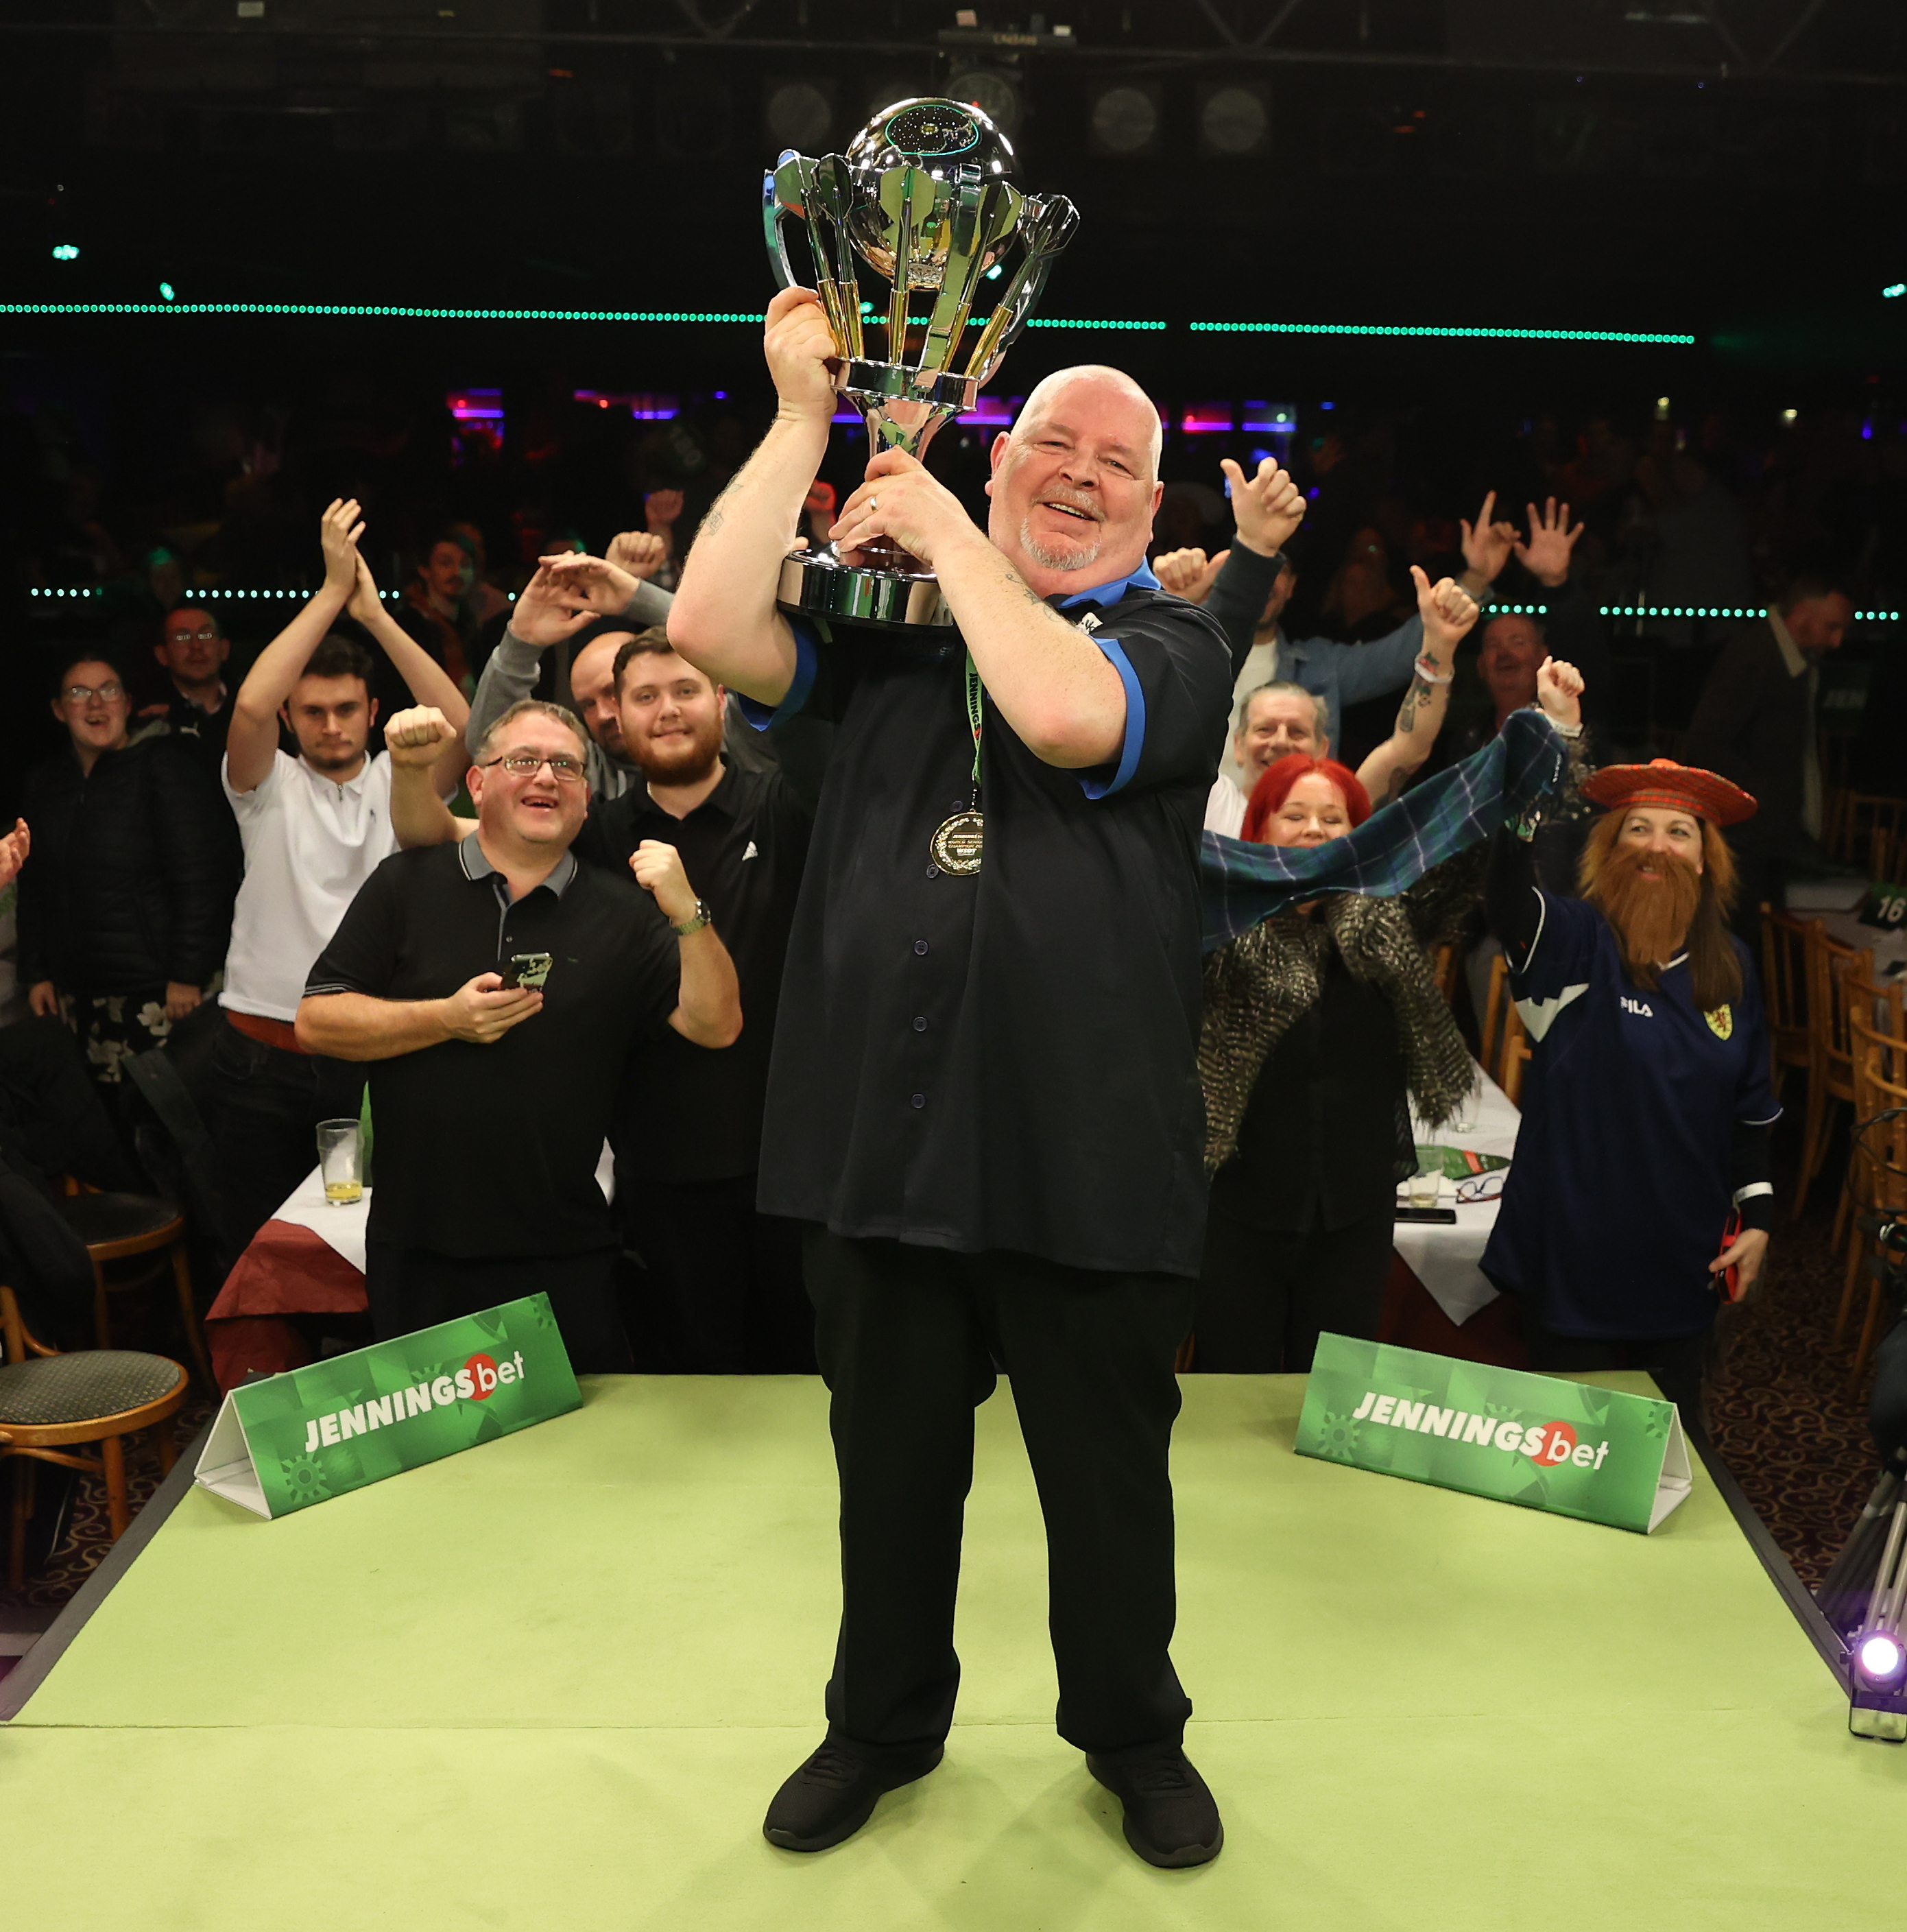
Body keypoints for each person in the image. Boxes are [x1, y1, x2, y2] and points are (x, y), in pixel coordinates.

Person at [668, 294, 1235, 1868]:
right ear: (997, 467)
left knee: (1108, 1490)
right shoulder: (887, 645)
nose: (1079, 470)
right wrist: (800, 420)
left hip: (1088, 1155)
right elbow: (705, 629)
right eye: (1048, 439)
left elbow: (1059, 712)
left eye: (1116, 460)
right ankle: (880, 1720)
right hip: (883, 1148)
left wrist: (931, 518)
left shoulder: (1176, 645)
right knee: (889, 1475)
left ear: (1147, 504)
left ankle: (1132, 1734)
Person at [384, 625, 816, 1373]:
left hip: (795, 1161)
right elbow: (435, 832)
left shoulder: (785, 809)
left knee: (813, 1380)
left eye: (685, 690)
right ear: (616, 713)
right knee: (689, 1392)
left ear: (721, 697)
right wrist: (409, 768)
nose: (668, 711)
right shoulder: (593, 829)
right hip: (659, 1169)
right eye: (645, 697)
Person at [294, 699, 741, 1371]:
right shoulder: (406, 885)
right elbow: (317, 1022)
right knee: (438, 1466)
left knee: (571, 1465)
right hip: (419, 1250)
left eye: (566, 765)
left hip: (564, 1248)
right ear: (477, 784)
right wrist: (443, 1018)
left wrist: (688, 913)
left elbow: (716, 1026)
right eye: (523, 761)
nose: (546, 777)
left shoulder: (620, 912)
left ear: (586, 799)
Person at [1192, 580, 1498, 1372]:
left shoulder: (1380, 917)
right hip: (1238, 1203)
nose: (1316, 827)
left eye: (1331, 818)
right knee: (1234, 1391)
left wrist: (1437, 653)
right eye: (1295, 816)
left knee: (1334, 1395)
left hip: (1352, 1204)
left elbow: (1411, 754)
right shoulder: (1210, 896)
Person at [1480, 753, 1778, 1429]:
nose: (1657, 846)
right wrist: (1536, 766)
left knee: (1672, 1468)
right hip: (1572, 1271)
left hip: (1684, 1270)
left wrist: (1758, 1222)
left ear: (1706, 860)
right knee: (1563, 1470)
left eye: (1680, 832)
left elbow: (1750, 1115)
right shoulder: (1573, 943)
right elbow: (1505, 894)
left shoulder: (1733, 967)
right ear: (1610, 850)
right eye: (1637, 828)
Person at [206, 500, 471, 1250]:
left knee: (376, 1244)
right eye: (313, 711)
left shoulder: (405, 777)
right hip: (260, 1053)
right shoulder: (266, 786)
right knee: (257, 1247)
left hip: (373, 1051)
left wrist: (379, 619)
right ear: (293, 721)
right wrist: (329, 597)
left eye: (347, 709)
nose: (331, 724)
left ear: (373, 710)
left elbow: (462, 721)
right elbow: (254, 699)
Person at [1157, 470, 1518, 788]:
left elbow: (1396, 658)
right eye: (1255, 570)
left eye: (1278, 574)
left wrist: (1475, 580)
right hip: (1200, 840)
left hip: (1292, 842)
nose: (1267, 585)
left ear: (1293, 587)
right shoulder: (1190, 651)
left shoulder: (1319, 665)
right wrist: (1170, 602)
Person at [18, 648, 238, 1093]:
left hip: (159, 993)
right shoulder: (45, 784)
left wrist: (187, 975)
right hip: (79, 997)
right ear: (60, 710)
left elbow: (201, 879)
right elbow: (35, 884)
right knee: (104, 1126)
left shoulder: (164, 768)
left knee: (170, 1119)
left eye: (109, 690)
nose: (96, 704)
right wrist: (37, 971)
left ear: (128, 703)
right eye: (80, 693)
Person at [466, 535, 766, 799]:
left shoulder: (744, 739)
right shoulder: (586, 776)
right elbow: (491, 745)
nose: (607, 715)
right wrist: (521, 643)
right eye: (587, 706)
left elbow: (759, 672)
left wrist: (638, 597)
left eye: (616, 693)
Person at [1204, 565, 1465, 835]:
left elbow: (1411, 745)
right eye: (1265, 730)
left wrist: (1441, 645)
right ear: (1238, 744)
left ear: (1322, 747)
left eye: (1298, 732)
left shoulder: (1343, 809)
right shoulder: (1211, 806)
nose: (1281, 741)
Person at [1682, 571, 1855, 940]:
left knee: (1762, 948)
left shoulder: (1789, 659)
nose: (1837, 641)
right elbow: (1703, 744)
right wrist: (1760, 799)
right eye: (1832, 627)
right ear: (1803, 614)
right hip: (1743, 840)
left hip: (1764, 836)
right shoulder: (1755, 656)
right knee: (1743, 950)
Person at [145, 605, 235, 773]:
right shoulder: (150, 720)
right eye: (182, 637)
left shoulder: (254, 710)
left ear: (224, 649)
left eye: (206, 635)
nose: (196, 646)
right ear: (162, 654)